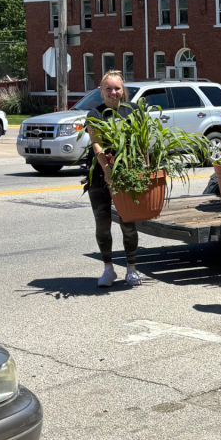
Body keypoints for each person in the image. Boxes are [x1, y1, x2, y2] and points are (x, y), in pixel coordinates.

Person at [86, 71, 140, 288]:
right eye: (108, 88)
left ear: (122, 90)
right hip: (99, 176)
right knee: (103, 223)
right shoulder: (95, 113)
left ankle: (132, 268)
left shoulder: (133, 111)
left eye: (117, 88)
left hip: (126, 177)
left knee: (128, 223)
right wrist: (107, 170)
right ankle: (108, 269)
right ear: (101, 90)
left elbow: (141, 142)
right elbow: (96, 143)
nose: (113, 92)